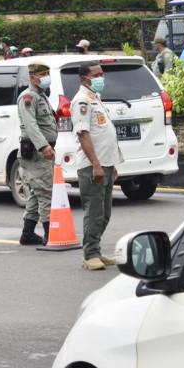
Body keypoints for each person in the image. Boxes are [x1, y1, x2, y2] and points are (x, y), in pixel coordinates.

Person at [70, 61, 122, 270]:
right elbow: (83, 135)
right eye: (97, 75)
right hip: (93, 166)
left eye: (102, 74)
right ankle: (89, 254)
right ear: (85, 79)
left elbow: (104, 134)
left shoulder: (94, 98)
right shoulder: (82, 101)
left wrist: (112, 164)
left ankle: (96, 250)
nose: (101, 78)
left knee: (105, 212)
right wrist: (96, 165)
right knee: (94, 212)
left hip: (106, 164)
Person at [16, 63, 57, 246]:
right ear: (33, 77)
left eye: (48, 73)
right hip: (36, 151)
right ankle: (50, 234)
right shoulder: (28, 97)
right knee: (46, 192)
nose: (47, 77)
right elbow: (31, 125)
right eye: (43, 74)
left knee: (37, 191)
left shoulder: (41, 95)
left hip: (44, 150)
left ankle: (28, 233)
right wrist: (43, 146)